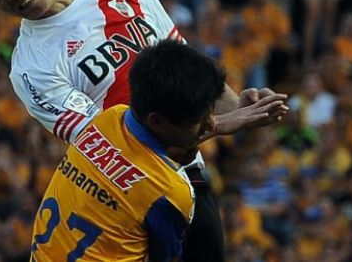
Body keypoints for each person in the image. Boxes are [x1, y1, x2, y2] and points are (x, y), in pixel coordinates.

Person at [0, 0, 288, 262]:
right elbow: (110, 149)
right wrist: (215, 125)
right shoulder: (30, 68)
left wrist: (236, 104)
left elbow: (184, 64)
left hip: (188, 179)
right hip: (124, 212)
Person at [31, 40, 285, 261]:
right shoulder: (170, 193)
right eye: (200, 119)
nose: (211, 122)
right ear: (157, 122)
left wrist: (220, 123)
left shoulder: (107, 120)